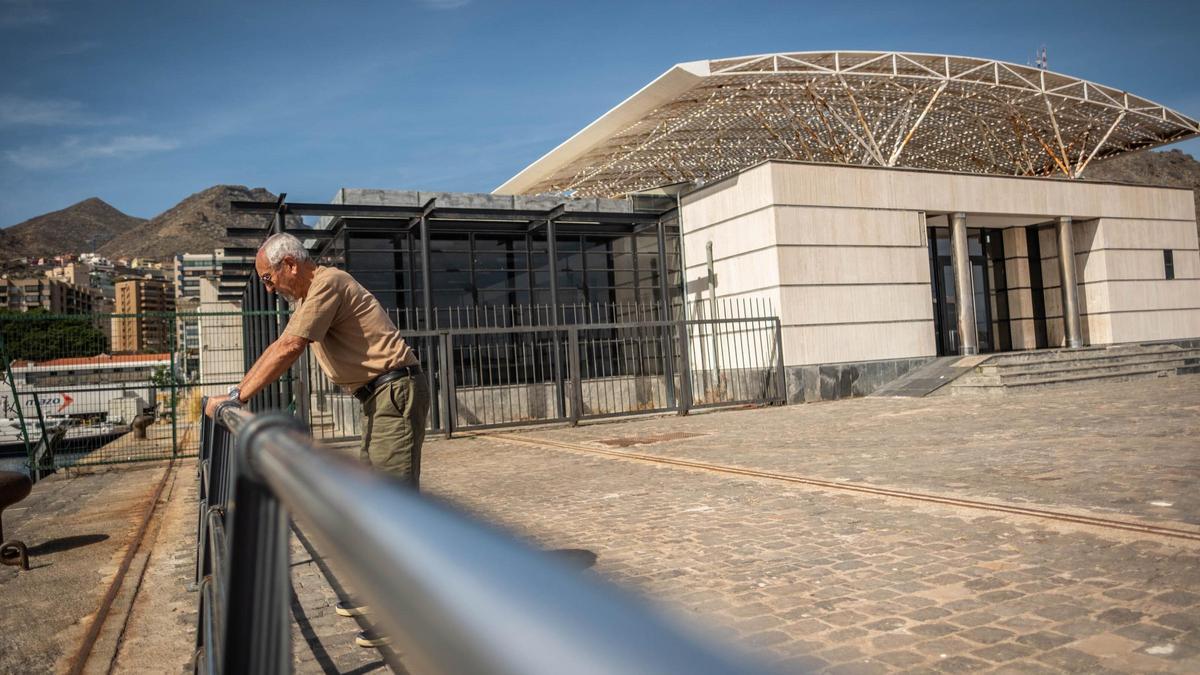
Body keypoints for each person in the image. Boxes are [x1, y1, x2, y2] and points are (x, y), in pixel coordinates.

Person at [204, 232, 428, 647]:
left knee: (395, 502)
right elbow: (283, 343)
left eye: (269, 279)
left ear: (289, 264)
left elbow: (290, 345)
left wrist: (235, 397)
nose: (269, 288)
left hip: (392, 390)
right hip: (378, 395)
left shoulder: (327, 283)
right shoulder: (309, 298)